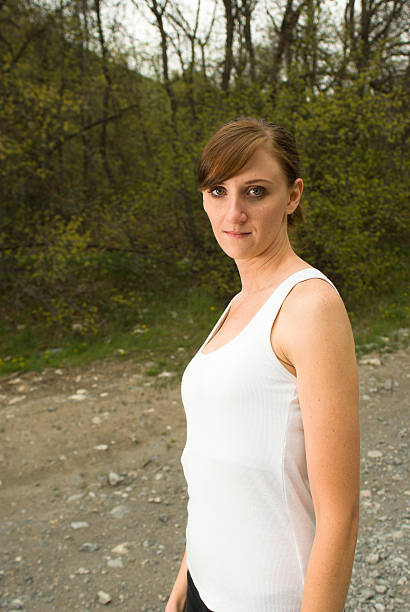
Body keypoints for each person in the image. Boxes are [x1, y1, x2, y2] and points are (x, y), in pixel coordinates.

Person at [165, 118, 360, 612]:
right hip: (204, 587)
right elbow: (215, 468)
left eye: (255, 191)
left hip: (268, 598)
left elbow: (340, 514)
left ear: (293, 196)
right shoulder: (237, 304)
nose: (234, 212)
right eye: (217, 190)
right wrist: (181, 589)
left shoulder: (309, 307)